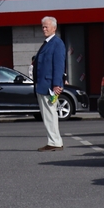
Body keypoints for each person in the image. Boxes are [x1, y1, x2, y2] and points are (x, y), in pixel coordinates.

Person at [33, 16, 66, 152]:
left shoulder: (57, 43)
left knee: (50, 114)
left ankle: (55, 142)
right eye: (43, 27)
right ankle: (54, 141)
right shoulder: (47, 43)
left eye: (46, 26)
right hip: (43, 84)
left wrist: (56, 84)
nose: (44, 29)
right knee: (47, 115)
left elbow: (59, 65)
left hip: (49, 86)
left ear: (54, 28)